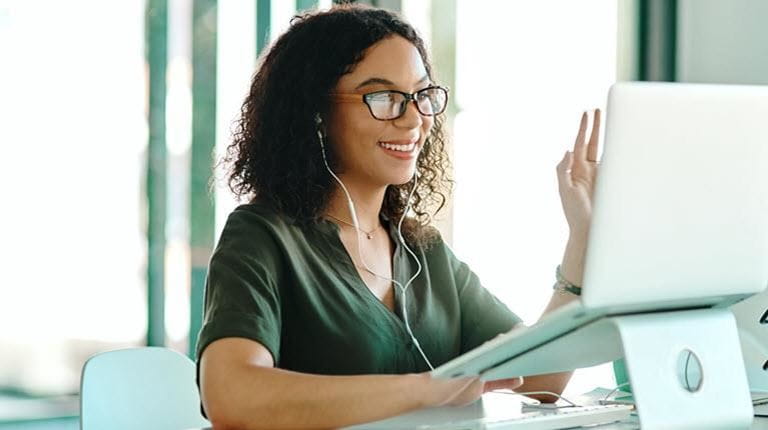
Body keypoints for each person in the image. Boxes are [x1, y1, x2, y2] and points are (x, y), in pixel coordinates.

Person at [196, 4, 601, 429]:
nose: (413, 119)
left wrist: (583, 237)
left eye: (421, 95)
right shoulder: (262, 236)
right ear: (315, 113)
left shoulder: (424, 253)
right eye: (384, 97)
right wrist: (426, 388)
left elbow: (540, 379)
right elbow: (231, 395)